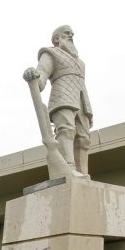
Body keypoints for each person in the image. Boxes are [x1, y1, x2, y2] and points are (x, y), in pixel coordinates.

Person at [24, 25, 94, 176]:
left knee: (84, 138)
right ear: (56, 38)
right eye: (67, 33)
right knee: (66, 130)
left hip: (82, 100)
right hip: (62, 96)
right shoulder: (50, 53)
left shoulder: (80, 63)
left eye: (72, 34)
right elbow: (42, 73)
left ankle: (84, 173)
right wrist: (34, 77)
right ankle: (69, 168)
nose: (71, 36)